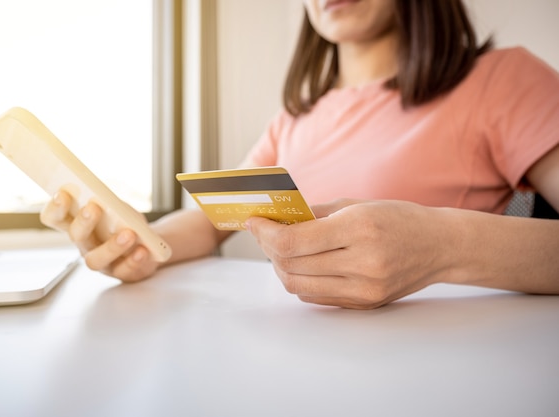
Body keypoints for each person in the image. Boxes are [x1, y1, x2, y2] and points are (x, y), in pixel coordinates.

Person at [41, 0, 559, 309]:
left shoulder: (503, 79)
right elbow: (207, 222)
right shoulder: (292, 121)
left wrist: (443, 245)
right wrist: (136, 243)